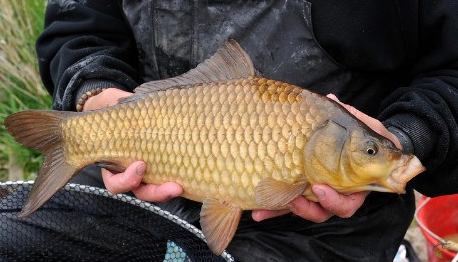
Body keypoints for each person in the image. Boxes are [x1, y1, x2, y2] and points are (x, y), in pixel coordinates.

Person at [5, 0, 458, 261]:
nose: (382, 158)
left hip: (333, 237)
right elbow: (78, 26)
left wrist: (408, 135)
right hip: (134, 187)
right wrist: (94, 95)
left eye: (370, 152)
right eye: (372, 151)